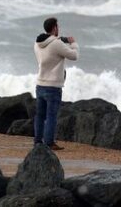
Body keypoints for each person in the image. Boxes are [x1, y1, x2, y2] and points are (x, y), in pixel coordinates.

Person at [33, 17, 79, 150]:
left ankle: (37, 141)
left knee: (40, 116)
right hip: (53, 86)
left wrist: (62, 40)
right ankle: (49, 142)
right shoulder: (56, 44)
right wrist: (73, 43)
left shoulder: (37, 43)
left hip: (40, 84)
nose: (58, 29)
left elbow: (51, 46)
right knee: (51, 116)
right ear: (54, 28)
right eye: (57, 26)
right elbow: (74, 56)